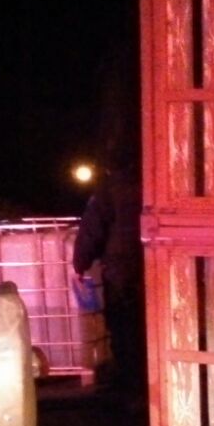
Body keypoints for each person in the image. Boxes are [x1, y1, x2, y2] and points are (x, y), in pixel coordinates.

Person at [72, 159, 145, 394]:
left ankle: (131, 386)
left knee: (123, 325)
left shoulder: (111, 187)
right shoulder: (156, 179)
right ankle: (153, 380)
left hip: (121, 267)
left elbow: (92, 228)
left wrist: (80, 263)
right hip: (157, 264)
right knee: (150, 323)